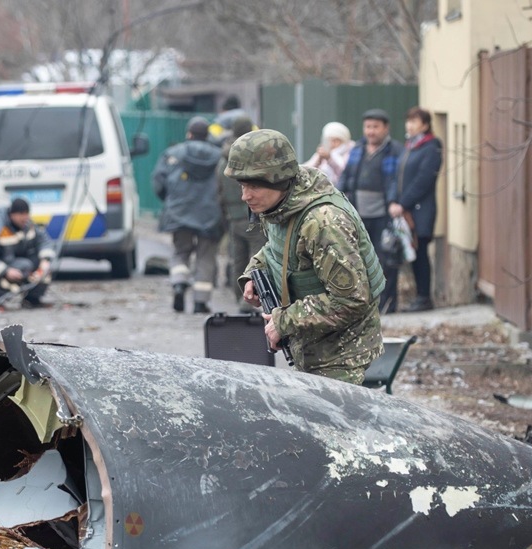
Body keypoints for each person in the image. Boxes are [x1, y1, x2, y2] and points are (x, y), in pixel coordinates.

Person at [225, 129, 385, 385]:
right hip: (311, 347)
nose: (245, 196)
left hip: (341, 356)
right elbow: (278, 249)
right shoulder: (283, 205)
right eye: (242, 185)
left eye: (253, 185)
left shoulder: (323, 223)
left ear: (276, 179)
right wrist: (253, 273)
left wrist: (283, 321)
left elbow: (352, 300)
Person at [151, 116, 223, 313]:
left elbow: (158, 182)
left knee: (181, 251)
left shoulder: (172, 154)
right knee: (205, 256)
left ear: (189, 134)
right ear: (207, 135)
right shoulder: (219, 157)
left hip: (180, 211)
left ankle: (179, 282)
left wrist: (170, 201)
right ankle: (200, 302)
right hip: (210, 214)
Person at [340, 108, 403, 313]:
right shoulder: (358, 149)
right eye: (368, 127)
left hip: (383, 215)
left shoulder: (395, 151)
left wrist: (394, 201)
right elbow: (346, 177)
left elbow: (396, 182)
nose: (371, 131)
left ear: (386, 128)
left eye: (375, 127)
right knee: (359, 260)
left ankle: (387, 304)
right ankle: (365, 304)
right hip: (358, 214)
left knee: (385, 260)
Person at [390, 107, 443, 312]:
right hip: (404, 210)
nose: (409, 125)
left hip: (420, 211)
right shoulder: (410, 146)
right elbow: (397, 177)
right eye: (408, 121)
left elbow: (424, 180)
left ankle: (424, 297)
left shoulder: (432, 146)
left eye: (415, 121)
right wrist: (395, 201)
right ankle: (419, 296)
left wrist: (403, 203)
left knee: (420, 253)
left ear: (426, 125)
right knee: (411, 253)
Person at [217, 114, 263, 313]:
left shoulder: (223, 157)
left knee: (238, 258)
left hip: (232, 215)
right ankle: (250, 300)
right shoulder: (253, 156)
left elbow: (218, 190)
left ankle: (239, 298)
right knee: (257, 256)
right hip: (253, 213)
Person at [0, 198, 55, 309]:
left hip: (18, 261)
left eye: (27, 214)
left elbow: (43, 240)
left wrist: (45, 260)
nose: (25, 218)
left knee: (43, 267)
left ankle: (32, 300)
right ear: (12, 214)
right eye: (21, 214)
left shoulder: (27, 223)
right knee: (24, 267)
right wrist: (5, 271)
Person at [302, 122, 354, 188]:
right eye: (330, 140)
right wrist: (318, 160)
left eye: (336, 141)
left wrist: (329, 159)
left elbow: (344, 174)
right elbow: (306, 171)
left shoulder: (350, 153)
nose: (332, 144)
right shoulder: (323, 153)